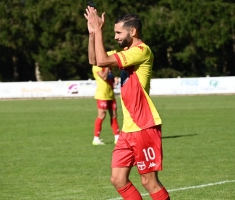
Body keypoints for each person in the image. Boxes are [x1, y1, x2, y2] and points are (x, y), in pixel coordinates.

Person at [85, 6, 170, 200]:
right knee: (118, 179)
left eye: (118, 32)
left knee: (149, 182)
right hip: (128, 130)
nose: (115, 36)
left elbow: (103, 60)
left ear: (132, 31)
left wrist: (99, 30)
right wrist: (92, 34)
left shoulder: (141, 50)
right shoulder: (125, 51)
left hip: (144, 126)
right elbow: (94, 60)